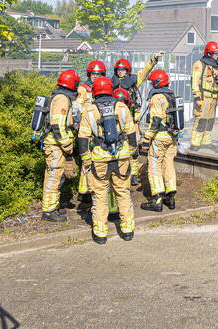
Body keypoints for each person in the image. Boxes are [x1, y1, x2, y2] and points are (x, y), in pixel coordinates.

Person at [78, 78, 137, 244]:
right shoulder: (122, 107)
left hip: (99, 159)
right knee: (123, 193)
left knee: (99, 196)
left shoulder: (89, 110)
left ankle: (101, 233)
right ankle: (127, 230)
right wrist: (132, 153)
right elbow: (131, 133)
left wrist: (86, 160)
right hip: (121, 157)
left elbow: (83, 138)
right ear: (111, 89)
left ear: (95, 91)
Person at [113, 52, 163, 185]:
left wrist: (153, 60)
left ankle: (134, 175)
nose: (120, 72)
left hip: (132, 122)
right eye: (118, 69)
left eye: (123, 69)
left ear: (127, 71)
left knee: (133, 149)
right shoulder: (110, 84)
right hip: (116, 122)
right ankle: (120, 173)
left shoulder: (133, 82)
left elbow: (144, 72)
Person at [41, 69, 81, 221]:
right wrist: (67, 144)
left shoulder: (61, 97)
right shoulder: (62, 99)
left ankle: (54, 207)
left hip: (56, 144)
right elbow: (57, 125)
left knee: (57, 177)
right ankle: (49, 211)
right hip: (55, 145)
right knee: (54, 176)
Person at [140, 69, 181, 212]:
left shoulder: (156, 98)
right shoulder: (171, 95)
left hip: (160, 137)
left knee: (155, 166)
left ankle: (157, 200)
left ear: (157, 83)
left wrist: (146, 139)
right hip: (172, 137)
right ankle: (170, 198)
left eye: (152, 82)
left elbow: (156, 120)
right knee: (169, 164)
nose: (151, 85)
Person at [75, 60, 107, 203]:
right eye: (93, 74)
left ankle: (95, 188)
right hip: (87, 127)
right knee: (86, 160)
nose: (96, 76)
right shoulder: (83, 89)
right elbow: (77, 107)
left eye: (98, 74)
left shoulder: (104, 88)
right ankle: (84, 192)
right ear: (89, 74)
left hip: (98, 129)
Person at [190, 41, 218, 148]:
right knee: (201, 119)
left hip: (214, 97)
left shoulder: (217, 66)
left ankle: (206, 141)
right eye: (215, 53)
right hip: (203, 97)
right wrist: (196, 95)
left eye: (217, 53)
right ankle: (195, 143)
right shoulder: (199, 64)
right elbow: (195, 80)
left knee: (210, 120)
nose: (217, 55)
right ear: (209, 53)